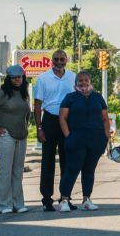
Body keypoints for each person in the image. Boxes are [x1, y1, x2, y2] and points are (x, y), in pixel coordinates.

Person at [0, 65, 32, 214]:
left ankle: (18, 203)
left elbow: (26, 112)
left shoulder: (24, 93)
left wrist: (25, 127)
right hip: (5, 135)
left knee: (18, 171)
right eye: (14, 77)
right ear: (9, 79)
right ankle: (3, 205)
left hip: (21, 136)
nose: (17, 80)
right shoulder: (2, 94)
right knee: (5, 171)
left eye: (20, 77)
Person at [57, 71, 111, 213]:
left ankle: (86, 200)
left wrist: (106, 137)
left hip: (96, 139)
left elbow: (105, 119)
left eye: (86, 80)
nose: (83, 83)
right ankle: (64, 200)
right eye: (80, 80)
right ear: (75, 83)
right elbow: (62, 118)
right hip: (76, 139)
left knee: (89, 170)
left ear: (90, 81)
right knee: (72, 170)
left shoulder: (98, 97)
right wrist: (68, 136)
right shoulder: (70, 98)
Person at [34, 49, 76, 211]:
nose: (59, 62)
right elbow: (37, 105)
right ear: (52, 60)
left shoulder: (72, 77)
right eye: (56, 59)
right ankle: (46, 199)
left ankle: (65, 197)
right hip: (50, 120)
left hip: (67, 121)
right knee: (48, 162)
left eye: (62, 59)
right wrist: (39, 128)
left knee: (68, 161)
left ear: (67, 60)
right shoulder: (43, 78)